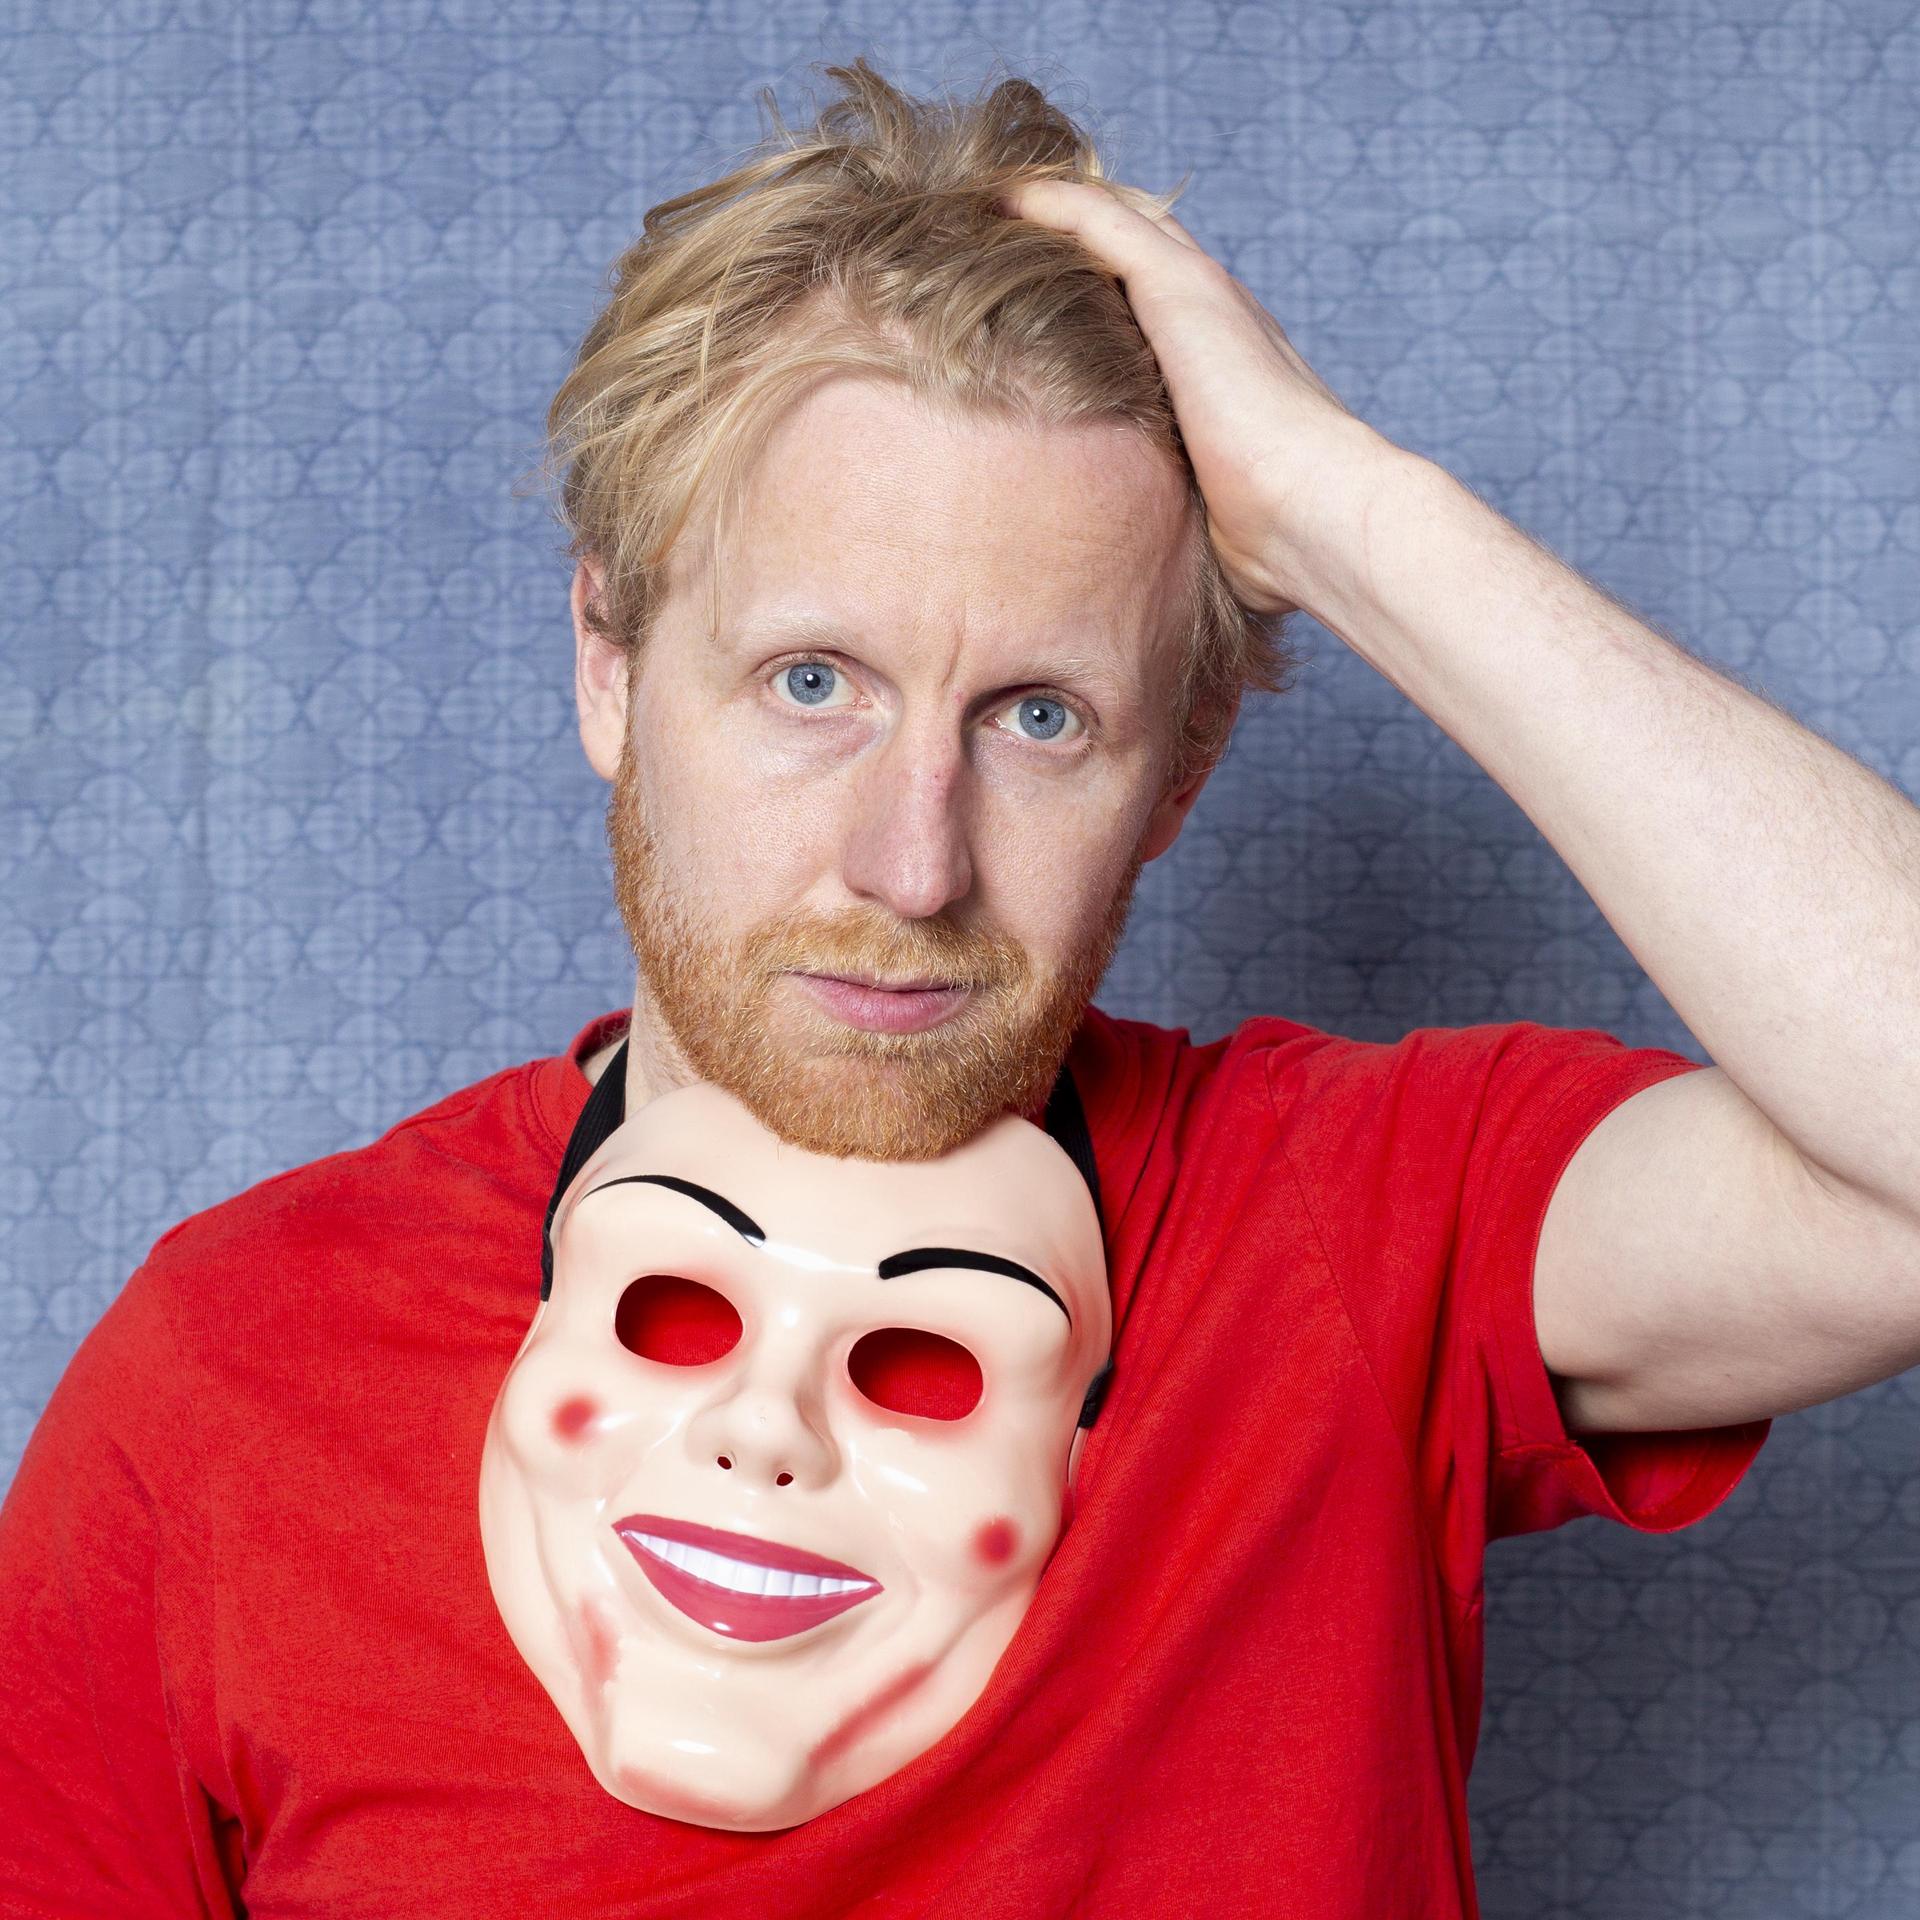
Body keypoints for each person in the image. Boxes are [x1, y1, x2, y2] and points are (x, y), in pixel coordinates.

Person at [4, 53, 1917, 1920]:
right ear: (609, 662)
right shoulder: (231, 1369)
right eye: (811, 683)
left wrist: (1350, 516)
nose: (913, 864)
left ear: (1183, 771)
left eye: (1041, 717)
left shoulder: (1356, 1225)